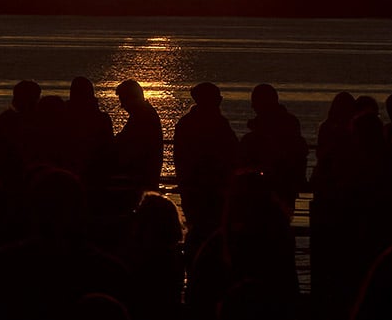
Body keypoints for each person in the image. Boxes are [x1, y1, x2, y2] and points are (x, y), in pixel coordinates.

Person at [173, 82, 238, 247]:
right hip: (207, 190)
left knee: (198, 232)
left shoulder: (187, 124)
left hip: (196, 189)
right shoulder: (217, 124)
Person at [239, 83, 308, 214]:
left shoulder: (266, 130)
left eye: (255, 102)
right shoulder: (289, 122)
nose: (253, 106)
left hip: (275, 184)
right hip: (283, 184)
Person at [113, 79, 163, 194]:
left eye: (123, 101)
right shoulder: (144, 114)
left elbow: (130, 146)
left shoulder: (141, 117)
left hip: (140, 179)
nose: (122, 106)